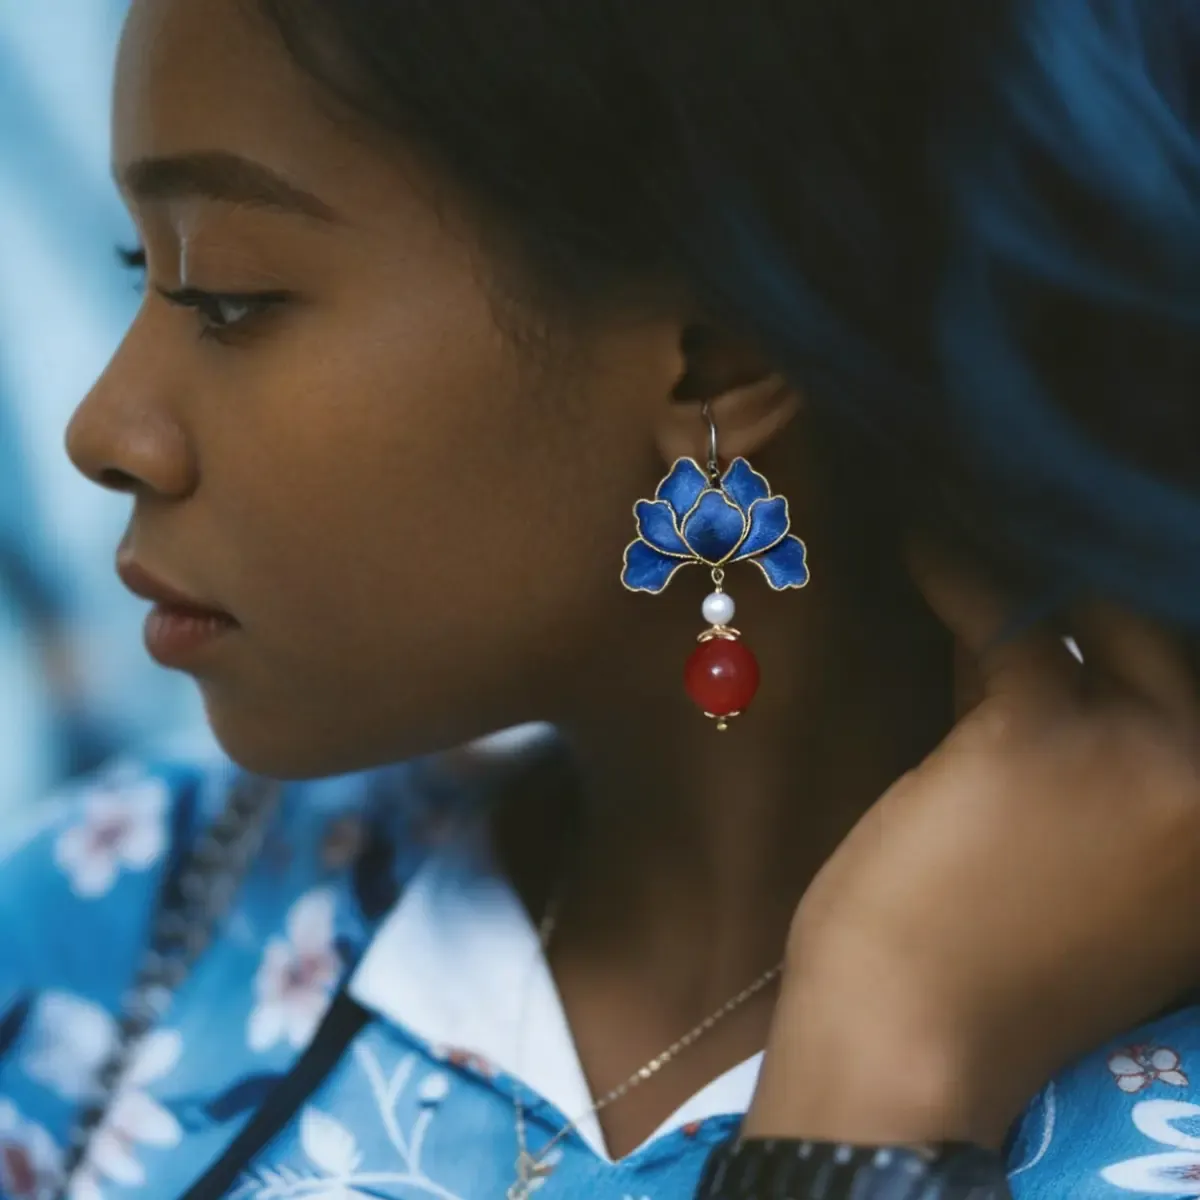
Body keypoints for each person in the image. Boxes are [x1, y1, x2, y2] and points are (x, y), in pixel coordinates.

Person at [2, 0, 1200, 1196]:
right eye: (137, 269)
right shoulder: (126, 912)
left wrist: (884, 1064)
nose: (105, 431)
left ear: (717, 360)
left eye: (226, 294)